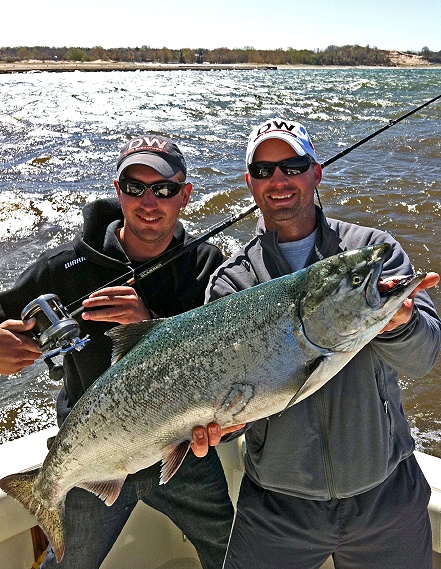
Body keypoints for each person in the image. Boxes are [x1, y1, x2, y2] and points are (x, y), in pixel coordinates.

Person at [191, 118, 441, 569]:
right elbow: (238, 402)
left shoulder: (372, 254)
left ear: (316, 172)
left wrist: (397, 323)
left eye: (293, 164)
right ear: (249, 183)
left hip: (386, 498)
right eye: (264, 170)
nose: (279, 180)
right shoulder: (233, 283)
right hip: (276, 510)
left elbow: (425, 358)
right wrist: (223, 425)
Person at [0, 134, 234, 569]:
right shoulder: (63, 267)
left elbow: (222, 355)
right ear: (117, 190)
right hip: (93, 456)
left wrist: (149, 319)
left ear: (185, 195)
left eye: (163, 189)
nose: (149, 202)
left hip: (181, 452)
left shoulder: (206, 267)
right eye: (135, 188)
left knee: (232, 551)